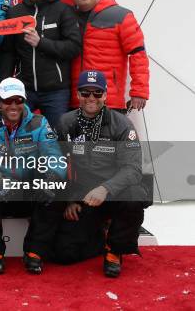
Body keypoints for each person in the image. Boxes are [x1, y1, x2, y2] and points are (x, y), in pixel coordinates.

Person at [55, 70, 149, 277]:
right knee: (64, 254)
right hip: (84, 196)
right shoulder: (65, 122)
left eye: (97, 93)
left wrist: (105, 188)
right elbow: (58, 164)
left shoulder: (122, 125)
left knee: (136, 195)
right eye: (85, 93)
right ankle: (100, 234)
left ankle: (115, 250)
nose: (91, 98)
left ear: (105, 95)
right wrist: (70, 199)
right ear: (77, 95)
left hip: (114, 193)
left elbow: (133, 169)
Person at [0, 77, 67, 275]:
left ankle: (36, 252)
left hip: (28, 185)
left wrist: (51, 178)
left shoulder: (39, 122)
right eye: (8, 100)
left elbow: (54, 155)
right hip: (1, 187)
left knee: (57, 187)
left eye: (19, 100)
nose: (14, 105)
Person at [0, 0, 81, 131]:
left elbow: (74, 47)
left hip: (55, 91)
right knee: (17, 135)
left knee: (57, 138)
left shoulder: (63, 10)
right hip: (24, 90)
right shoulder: (15, 12)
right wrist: (4, 83)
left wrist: (41, 43)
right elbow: (8, 52)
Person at [67, 0, 149, 112]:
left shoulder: (120, 16)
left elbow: (138, 54)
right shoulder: (66, 17)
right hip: (74, 102)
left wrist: (139, 91)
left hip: (109, 101)